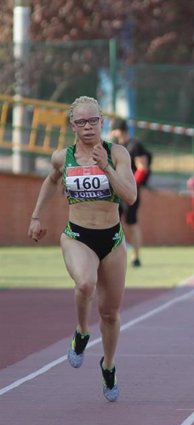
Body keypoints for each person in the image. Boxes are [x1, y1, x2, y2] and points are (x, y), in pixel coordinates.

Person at [27, 96, 137, 402]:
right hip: (77, 234)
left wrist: (107, 169)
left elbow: (130, 196)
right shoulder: (63, 158)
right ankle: (80, 331)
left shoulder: (118, 153)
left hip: (112, 239)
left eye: (93, 121)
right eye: (81, 122)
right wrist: (36, 216)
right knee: (85, 283)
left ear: (103, 121)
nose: (88, 127)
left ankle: (109, 365)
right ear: (72, 125)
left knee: (110, 313)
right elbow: (51, 181)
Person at [110, 118, 151, 267]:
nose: (112, 133)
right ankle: (115, 255)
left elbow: (142, 167)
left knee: (131, 222)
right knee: (114, 223)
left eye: (114, 130)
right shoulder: (114, 146)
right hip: (115, 191)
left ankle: (136, 256)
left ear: (120, 130)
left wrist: (131, 186)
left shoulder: (135, 145)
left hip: (130, 190)